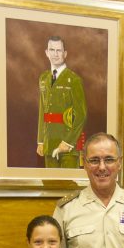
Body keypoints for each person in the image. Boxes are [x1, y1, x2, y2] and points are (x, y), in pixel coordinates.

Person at [37, 36, 87, 168]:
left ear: (65, 54)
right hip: (49, 144)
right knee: (51, 187)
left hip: (69, 147)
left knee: (69, 186)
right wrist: (41, 141)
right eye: (52, 50)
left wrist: (68, 142)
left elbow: (81, 115)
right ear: (47, 53)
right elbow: (43, 111)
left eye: (58, 50)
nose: (55, 54)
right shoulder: (43, 78)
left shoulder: (74, 79)